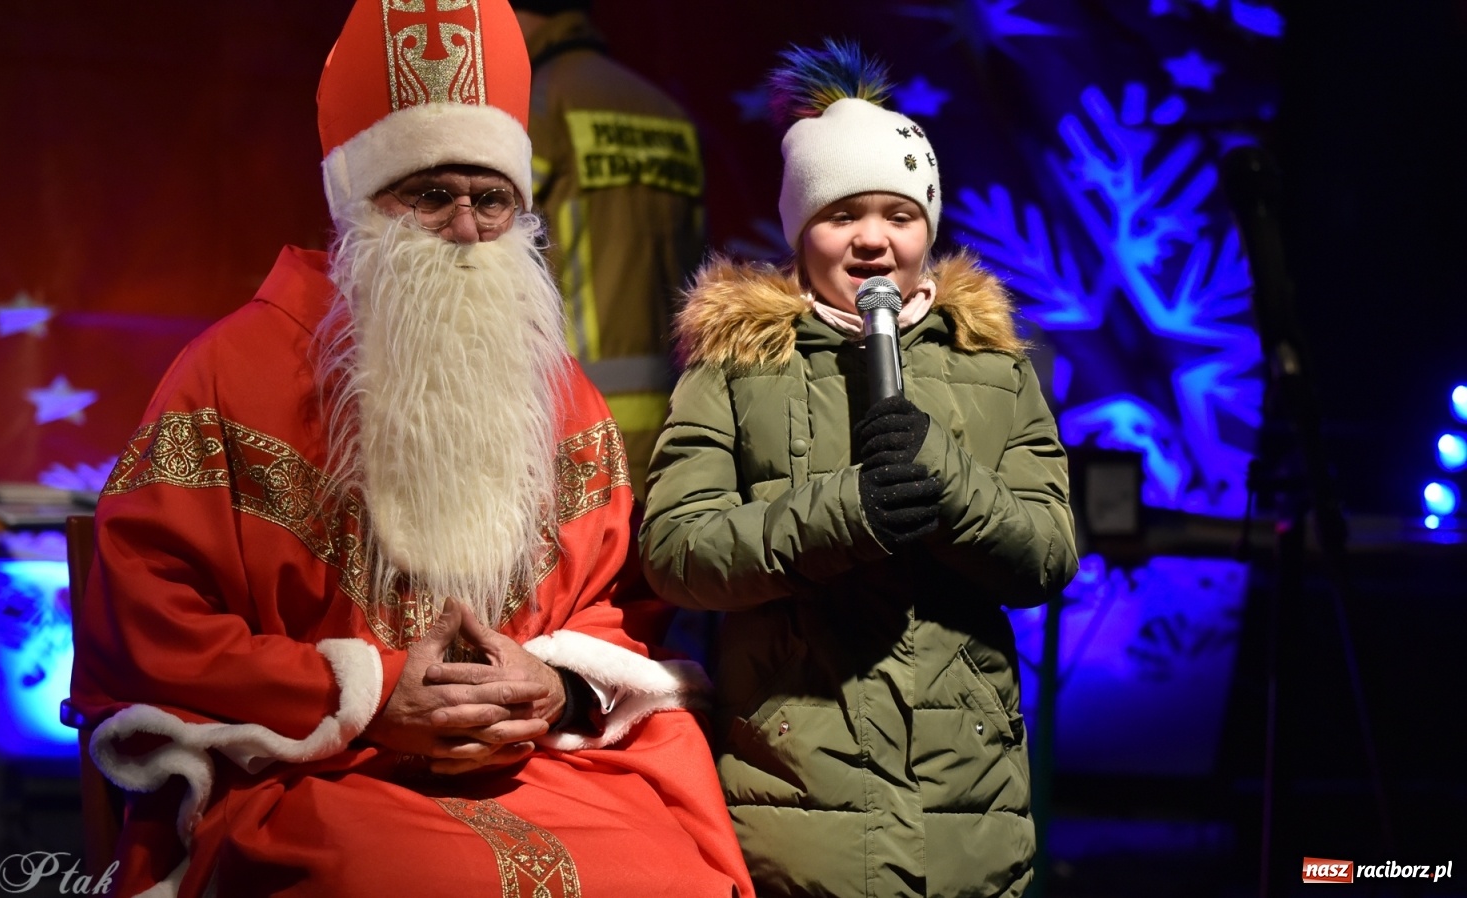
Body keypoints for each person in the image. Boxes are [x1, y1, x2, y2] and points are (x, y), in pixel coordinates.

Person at [67, 2, 754, 896]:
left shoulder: (561, 395)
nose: (466, 228)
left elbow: (615, 599)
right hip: (324, 766)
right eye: (430, 195)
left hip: (540, 760)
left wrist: (555, 684)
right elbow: (153, 623)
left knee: (668, 876)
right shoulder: (230, 377)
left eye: (492, 198)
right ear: (361, 204)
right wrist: (367, 693)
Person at [639, 41, 1079, 898]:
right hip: (796, 807)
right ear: (800, 228)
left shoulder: (995, 364)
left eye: (899, 214)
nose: (873, 239)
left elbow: (1048, 554)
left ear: (928, 228)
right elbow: (676, 551)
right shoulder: (735, 365)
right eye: (842, 214)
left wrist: (943, 481)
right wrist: (848, 513)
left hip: (969, 815)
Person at [511, 0, 705, 494]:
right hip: (681, 426)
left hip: (573, 431)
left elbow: (493, 253)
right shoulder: (666, 112)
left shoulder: (535, 105)